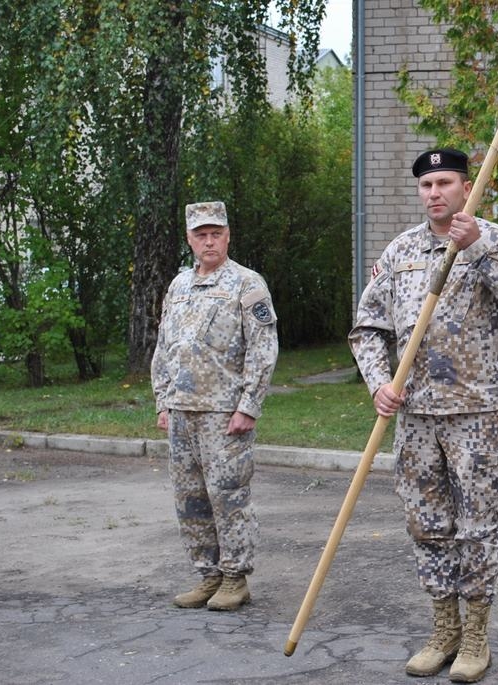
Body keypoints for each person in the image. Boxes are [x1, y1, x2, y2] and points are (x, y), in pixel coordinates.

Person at [349, 148, 498, 682]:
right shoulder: (401, 250)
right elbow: (368, 328)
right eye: (426, 184)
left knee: (477, 524)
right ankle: (443, 629)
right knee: (426, 523)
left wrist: (475, 247)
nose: (434, 192)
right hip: (414, 413)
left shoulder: (496, 240)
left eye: (445, 183)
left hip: (475, 411)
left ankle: (476, 635)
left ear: (465, 188)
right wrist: (378, 385)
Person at [151, 201, 279, 612]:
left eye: (216, 233)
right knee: (190, 499)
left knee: (228, 497)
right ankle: (208, 575)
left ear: (227, 236)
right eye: (200, 234)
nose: (209, 241)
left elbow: (263, 349)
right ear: (190, 239)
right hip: (182, 412)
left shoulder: (247, 283)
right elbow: (164, 347)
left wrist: (249, 406)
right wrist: (163, 400)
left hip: (225, 414)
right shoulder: (178, 286)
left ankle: (235, 578)